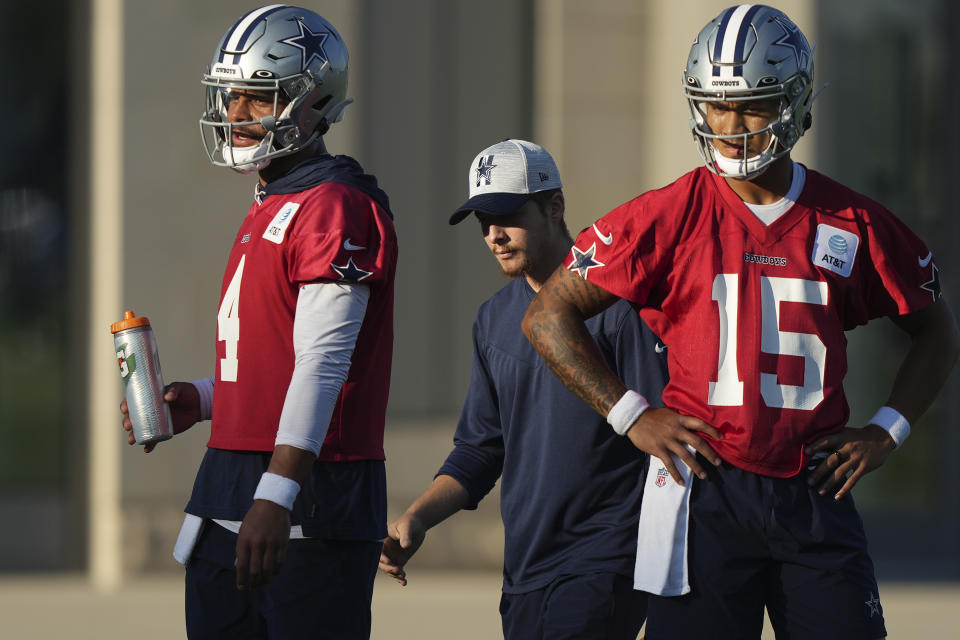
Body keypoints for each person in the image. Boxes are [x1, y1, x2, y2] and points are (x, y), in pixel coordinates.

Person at [522, 5, 960, 640]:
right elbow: (546, 316)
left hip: (816, 488)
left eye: (752, 104)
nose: (729, 126)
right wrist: (631, 415)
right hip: (703, 487)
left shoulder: (855, 222)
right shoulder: (665, 215)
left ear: (796, 102)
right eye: (715, 105)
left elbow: (936, 331)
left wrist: (887, 431)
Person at [120, 5, 397, 639]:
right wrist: (210, 398)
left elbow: (326, 364)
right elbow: (278, 359)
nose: (236, 115)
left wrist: (277, 493)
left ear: (312, 101)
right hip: (231, 480)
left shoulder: (335, 207)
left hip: (307, 487)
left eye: (257, 98)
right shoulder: (274, 201)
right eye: (231, 97)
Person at [378, 139, 668, 639]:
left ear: (554, 207)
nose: (494, 235)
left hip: (606, 559)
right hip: (525, 570)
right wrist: (417, 517)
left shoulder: (619, 307)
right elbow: (479, 451)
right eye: (482, 222)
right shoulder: (492, 318)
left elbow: (663, 438)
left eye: (508, 215)